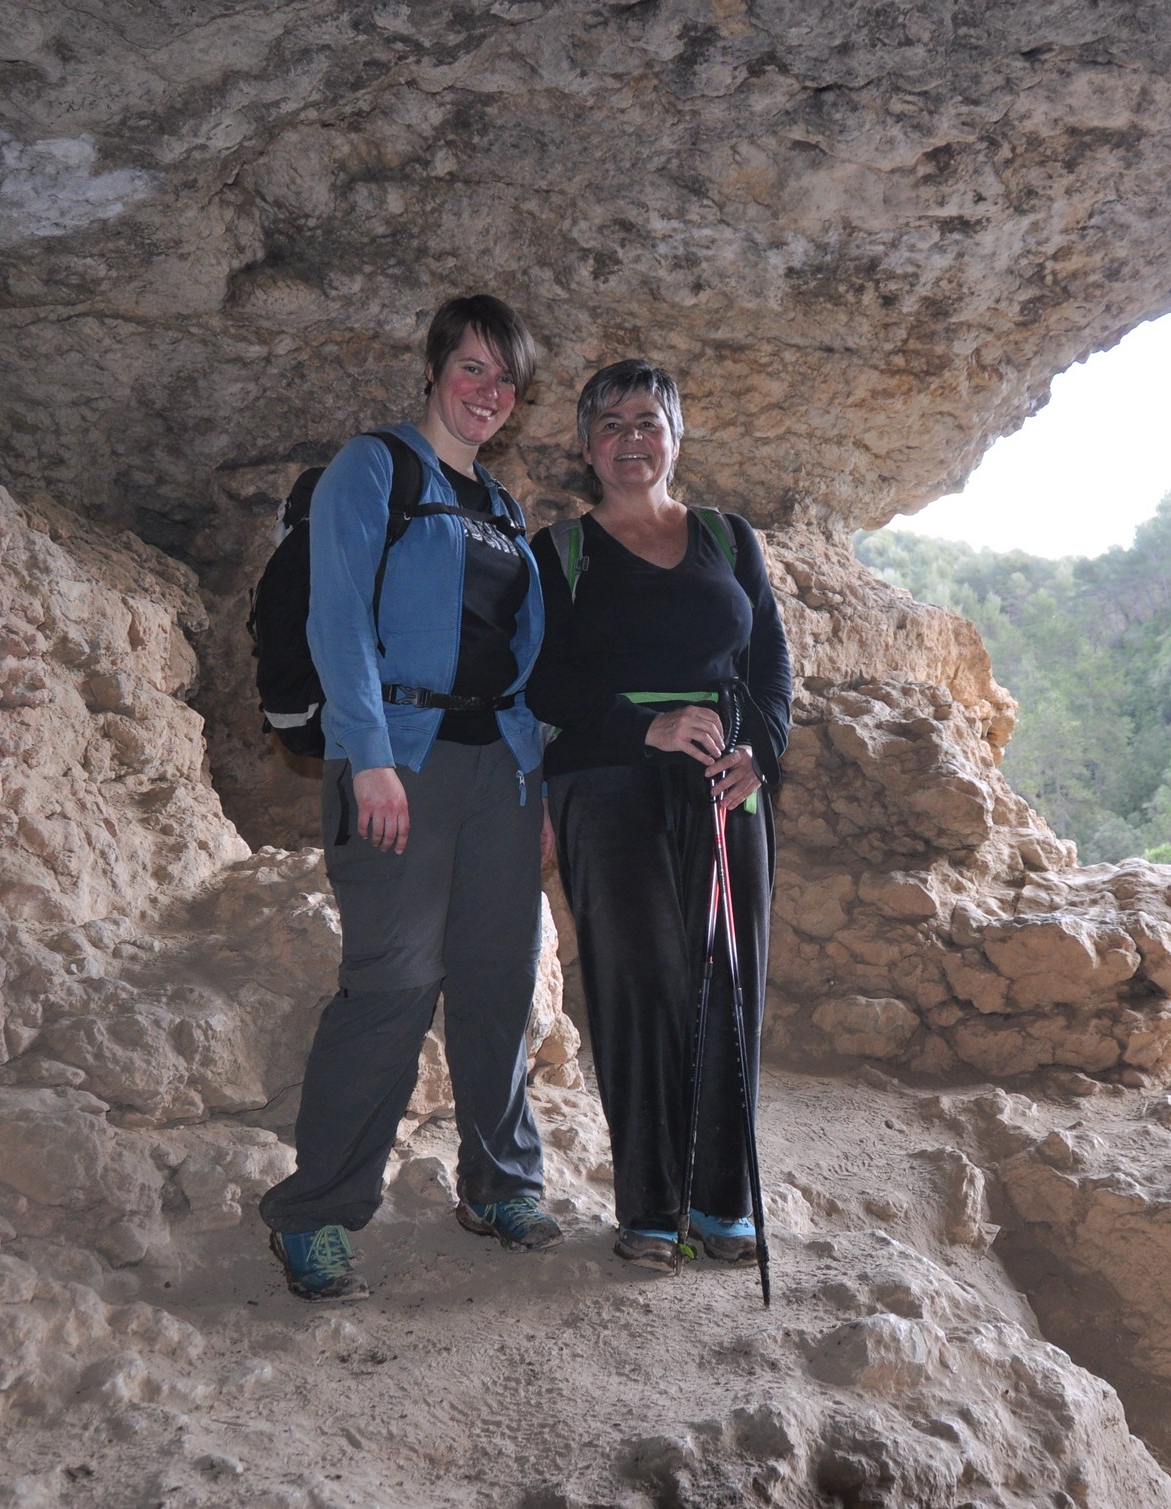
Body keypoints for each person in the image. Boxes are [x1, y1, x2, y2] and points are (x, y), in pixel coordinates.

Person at [259, 294, 563, 1301]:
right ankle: (315, 1211)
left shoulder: (502, 507)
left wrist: (536, 779)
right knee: (391, 980)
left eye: (505, 379)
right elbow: (337, 617)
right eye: (472, 367)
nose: (487, 391)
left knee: (497, 978)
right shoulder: (375, 467)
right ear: (433, 368)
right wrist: (369, 755)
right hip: (400, 756)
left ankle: (500, 1183)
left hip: (499, 771)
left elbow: (521, 656)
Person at [528, 359, 792, 1274]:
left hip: (725, 780)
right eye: (610, 424)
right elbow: (540, 679)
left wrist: (760, 753)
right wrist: (646, 726)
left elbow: (769, 664)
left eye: (648, 420)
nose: (630, 438)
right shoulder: (559, 552)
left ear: (676, 437)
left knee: (730, 977)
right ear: (585, 446)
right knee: (641, 985)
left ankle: (723, 1201)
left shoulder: (727, 536)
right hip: (607, 779)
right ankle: (650, 1205)